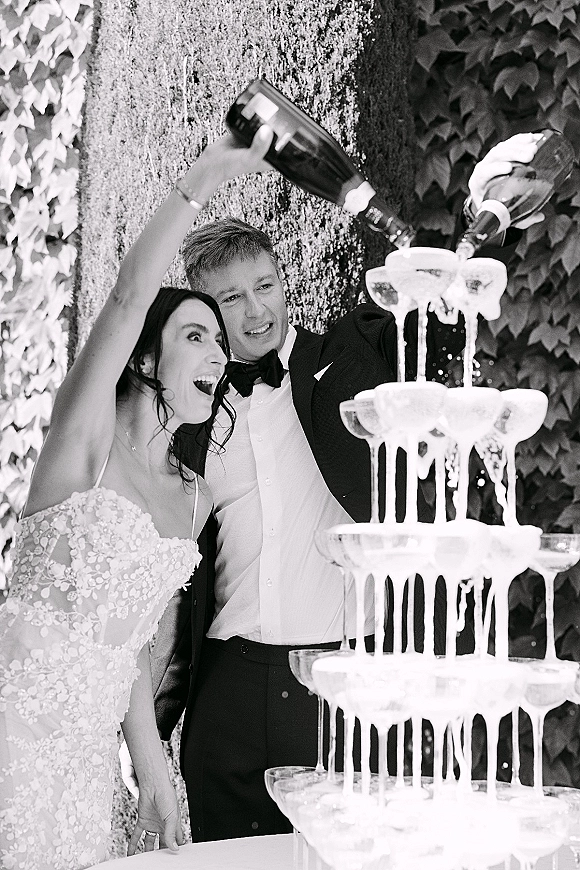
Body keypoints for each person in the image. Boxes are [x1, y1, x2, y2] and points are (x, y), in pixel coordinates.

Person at [143, 132, 545, 842]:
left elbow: (439, 311)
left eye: (265, 285)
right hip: (226, 692)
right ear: (204, 311)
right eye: (230, 298)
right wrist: (151, 724)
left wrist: (493, 225)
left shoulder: (352, 356)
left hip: (340, 681)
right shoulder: (192, 415)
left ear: (284, 279)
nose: (256, 310)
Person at [0, 129, 275, 870]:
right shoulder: (84, 446)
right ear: (147, 354)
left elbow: (131, 657)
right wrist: (207, 176)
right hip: (12, 728)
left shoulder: (190, 501)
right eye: (196, 334)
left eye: (221, 344)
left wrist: (151, 770)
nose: (218, 354)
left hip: (86, 766)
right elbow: (126, 299)